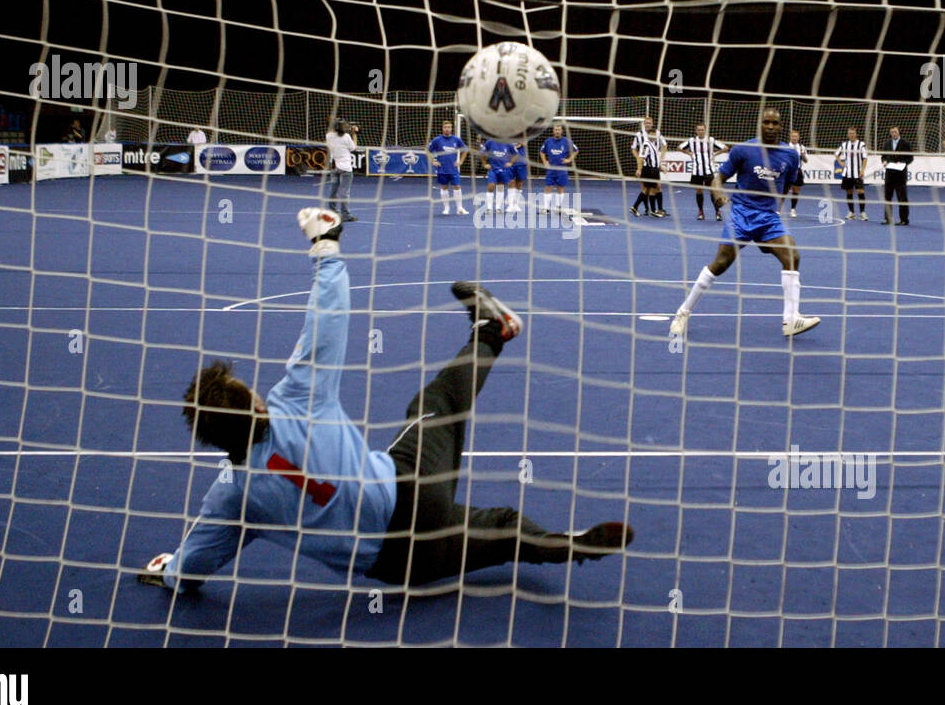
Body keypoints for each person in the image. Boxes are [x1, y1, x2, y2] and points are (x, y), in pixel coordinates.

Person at [138, 209, 632, 591]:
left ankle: (562, 543)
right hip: (411, 486)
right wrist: (325, 245)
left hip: (400, 563)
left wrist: (173, 573)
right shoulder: (296, 400)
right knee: (434, 403)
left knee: (501, 530)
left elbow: (202, 555)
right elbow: (327, 322)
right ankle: (492, 332)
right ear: (257, 405)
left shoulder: (232, 497)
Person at [668, 108, 820, 339]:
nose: (770, 127)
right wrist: (718, 193)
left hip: (768, 219)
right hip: (741, 215)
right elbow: (718, 177)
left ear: (781, 127)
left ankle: (791, 319)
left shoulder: (791, 155)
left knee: (792, 256)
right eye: (766, 122)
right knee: (721, 263)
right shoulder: (744, 150)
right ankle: (682, 313)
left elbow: (787, 185)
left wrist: (776, 209)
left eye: (775, 123)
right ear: (760, 125)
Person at [679, 123, 729, 221]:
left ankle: (717, 212)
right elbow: (679, 147)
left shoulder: (711, 140)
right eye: (699, 130)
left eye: (702, 130)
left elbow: (726, 148)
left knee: (713, 192)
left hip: (708, 170)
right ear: (696, 131)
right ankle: (701, 212)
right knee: (699, 191)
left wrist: (715, 154)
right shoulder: (691, 141)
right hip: (696, 171)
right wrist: (689, 153)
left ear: (705, 131)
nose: (701, 131)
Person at [427, 120, 469, 215]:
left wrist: (461, 161)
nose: (447, 129)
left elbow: (465, 150)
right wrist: (433, 161)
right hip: (442, 169)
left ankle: (460, 208)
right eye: (445, 127)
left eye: (449, 127)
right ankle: (446, 208)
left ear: (451, 128)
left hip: (453, 169)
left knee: (457, 187)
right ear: (442, 128)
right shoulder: (437, 140)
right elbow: (427, 151)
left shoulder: (456, 139)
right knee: (444, 187)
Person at [630, 117, 667, 218]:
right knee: (647, 188)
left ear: (652, 124)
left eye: (649, 123)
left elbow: (665, 145)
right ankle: (648, 209)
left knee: (653, 187)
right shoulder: (641, 137)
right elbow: (635, 150)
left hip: (653, 166)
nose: (647, 124)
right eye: (646, 123)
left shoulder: (655, 136)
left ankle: (655, 209)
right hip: (647, 166)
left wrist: (660, 162)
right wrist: (639, 166)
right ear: (643, 124)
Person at [323, 120, 358, 222]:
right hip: (346, 168)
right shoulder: (346, 137)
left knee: (333, 190)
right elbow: (353, 148)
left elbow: (335, 133)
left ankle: (333, 212)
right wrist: (354, 134)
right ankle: (346, 214)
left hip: (334, 166)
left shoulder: (328, 136)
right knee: (344, 192)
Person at [538, 123, 578, 212]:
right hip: (551, 169)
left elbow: (576, 150)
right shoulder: (548, 141)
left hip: (562, 169)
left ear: (562, 131)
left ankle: (558, 207)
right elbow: (542, 152)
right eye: (556, 129)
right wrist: (545, 162)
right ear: (553, 131)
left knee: (560, 187)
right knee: (548, 187)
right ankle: (546, 208)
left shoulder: (567, 141)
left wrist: (569, 160)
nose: (557, 131)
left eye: (559, 129)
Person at [880, 125, 912, 226]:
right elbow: (883, 156)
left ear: (899, 132)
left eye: (895, 132)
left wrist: (902, 163)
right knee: (887, 197)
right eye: (892, 132)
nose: (893, 133)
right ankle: (888, 219)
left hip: (900, 174)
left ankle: (904, 219)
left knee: (902, 197)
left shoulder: (905, 143)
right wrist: (884, 161)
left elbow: (910, 158)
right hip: (889, 174)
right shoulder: (887, 143)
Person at [836, 126, 868, 220]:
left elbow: (865, 158)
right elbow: (836, 154)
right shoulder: (844, 145)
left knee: (860, 192)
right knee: (849, 192)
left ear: (856, 134)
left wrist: (862, 170)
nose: (851, 135)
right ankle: (851, 212)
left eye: (853, 133)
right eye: (850, 133)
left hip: (857, 173)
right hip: (847, 173)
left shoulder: (861, 144)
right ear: (848, 134)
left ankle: (862, 213)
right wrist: (841, 162)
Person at [478, 136, 517, 212]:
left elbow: (516, 154)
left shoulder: (509, 143)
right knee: (491, 186)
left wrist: (511, 163)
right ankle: (489, 208)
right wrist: (485, 164)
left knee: (500, 187)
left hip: (504, 169)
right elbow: (482, 153)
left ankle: (498, 208)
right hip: (493, 169)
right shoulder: (490, 142)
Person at [786, 129, 808, 218]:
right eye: (793, 136)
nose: (794, 138)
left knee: (796, 191)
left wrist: (802, 155)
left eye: (796, 136)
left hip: (797, 171)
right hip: (787, 171)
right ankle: (777, 210)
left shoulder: (802, 147)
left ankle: (793, 209)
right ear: (790, 137)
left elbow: (806, 161)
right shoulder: (786, 147)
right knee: (783, 191)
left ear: (798, 137)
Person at [510, 141, 529, 213]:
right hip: (510, 161)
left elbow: (525, 143)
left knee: (519, 183)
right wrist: (515, 146)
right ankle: (511, 204)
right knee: (510, 182)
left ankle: (516, 204)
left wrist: (519, 143)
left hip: (521, 161)